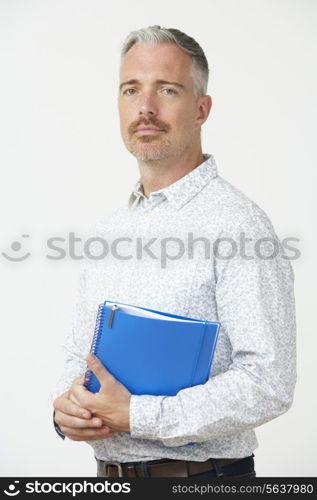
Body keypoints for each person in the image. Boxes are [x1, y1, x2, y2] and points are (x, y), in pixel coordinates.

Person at [52, 25, 297, 478]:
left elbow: (269, 382)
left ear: (201, 109)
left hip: (202, 480)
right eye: (131, 90)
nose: (145, 107)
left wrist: (139, 415)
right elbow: (78, 351)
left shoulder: (240, 226)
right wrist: (67, 407)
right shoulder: (109, 231)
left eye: (167, 89)